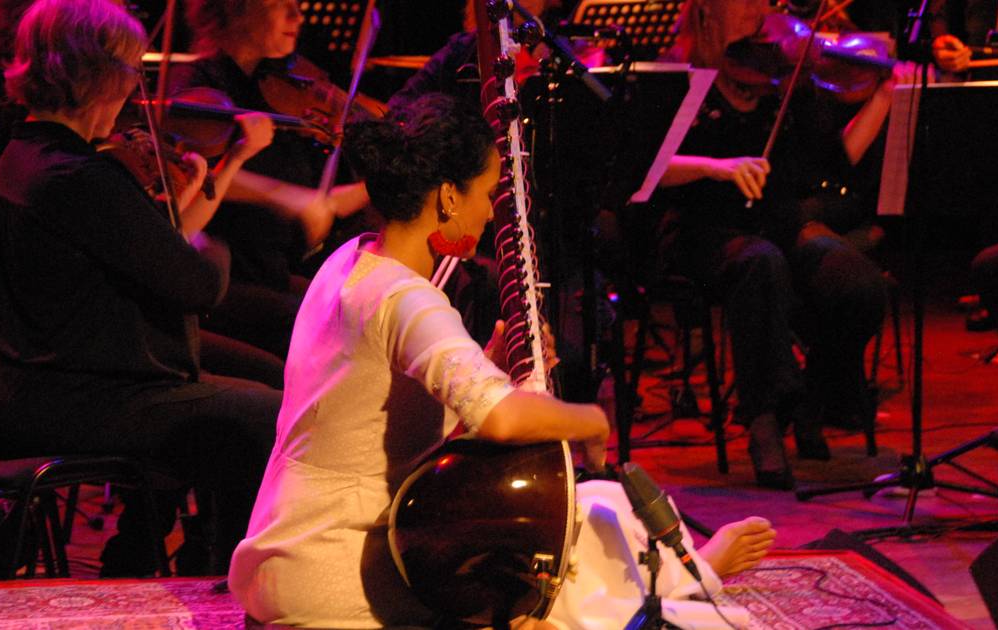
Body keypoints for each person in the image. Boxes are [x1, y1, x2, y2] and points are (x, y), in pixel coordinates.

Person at [228, 93, 775, 628]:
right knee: (562, 556)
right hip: (342, 571)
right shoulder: (407, 297)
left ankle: (683, 573)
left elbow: (372, 414)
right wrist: (592, 420)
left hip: (284, 550)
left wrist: (488, 364)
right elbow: (502, 419)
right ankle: (692, 575)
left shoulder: (351, 261)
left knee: (590, 510)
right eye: (487, 193)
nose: (491, 212)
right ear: (448, 196)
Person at [0, 0, 281, 575]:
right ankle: (225, 574)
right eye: (132, 69)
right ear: (100, 75)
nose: (135, 87)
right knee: (269, 416)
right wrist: (202, 239)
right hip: (72, 397)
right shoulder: (79, 177)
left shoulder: (25, 154)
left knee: (246, 382)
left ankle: (144, 553)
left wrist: (161, 222)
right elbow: (198, 286)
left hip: (35, 382)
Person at [651, 0, 898, 488]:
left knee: (858, 283)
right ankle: (763, 420)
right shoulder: (676, 80)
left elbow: (834, 163)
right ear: (708, 14)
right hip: (704, 232)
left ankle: (811, 396)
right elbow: (649, 168)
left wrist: (878, 96)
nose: (758, 12)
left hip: (777, 225)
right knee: (760, 265)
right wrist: (714, 168)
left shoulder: (785, 81)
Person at [167, 0, 371, 359]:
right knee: (330, 331)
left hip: (271, 269)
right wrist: (284, 196)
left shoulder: (269, 85)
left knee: (366, 310)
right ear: (237, 10)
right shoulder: (197, 86)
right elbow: (191, 175)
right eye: (281, 4)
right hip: (225, 277)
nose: (297, 16)